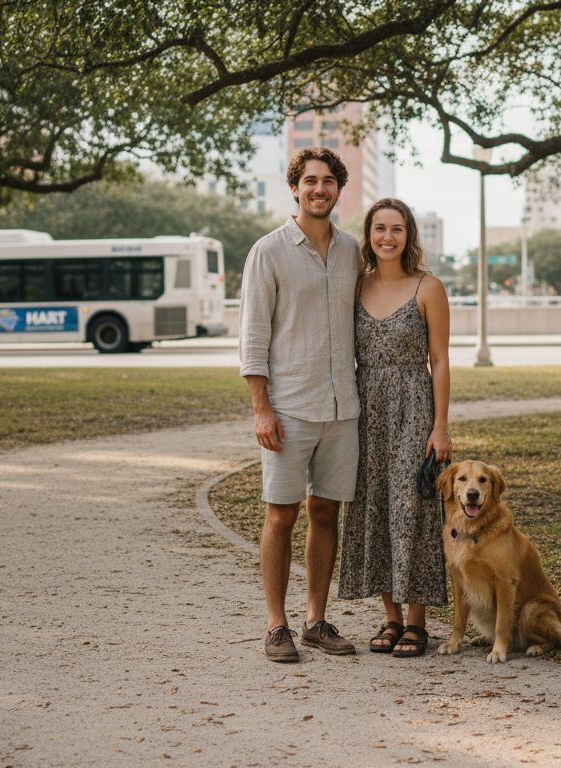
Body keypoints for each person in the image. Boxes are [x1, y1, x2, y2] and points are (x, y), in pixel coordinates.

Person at [239, 147, 361, 663]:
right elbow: (253, 337)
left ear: (339, 189)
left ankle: (315, 619)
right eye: (310, 180)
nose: (319, 189)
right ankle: (276, 625)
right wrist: (261, 408)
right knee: (281, 516)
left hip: (342, 409)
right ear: (295, 187)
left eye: (328, 181)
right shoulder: (268, 251)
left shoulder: (354, 249)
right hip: (288, 408)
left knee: (326, 513)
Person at [338, 197, 452, 658]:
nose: (387, 237)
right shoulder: (355, 286)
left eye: (397, 229)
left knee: (414, 508)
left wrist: (440, 425)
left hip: (414, 405)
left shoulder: (428, 287)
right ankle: (390, 617)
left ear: (409, 236)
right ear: (368, 234)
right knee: (377, 505)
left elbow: (441, 360)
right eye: (379, 228)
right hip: (366, 408)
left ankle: (418, 622)